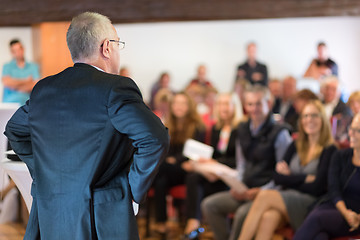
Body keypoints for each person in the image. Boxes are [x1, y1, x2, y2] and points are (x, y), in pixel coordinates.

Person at [4, 12, 169, 240]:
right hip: (101, 214)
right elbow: (154, 138)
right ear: (106, 47)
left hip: (51, 212)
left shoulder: (44, 88)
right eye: (118, 44)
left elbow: (15, 131)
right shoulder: (116, 88)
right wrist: (132, 191)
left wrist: (44, 173)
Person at [201, 84, 292, 240]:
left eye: (258, 103)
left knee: (243, 214)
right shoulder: (242, 129)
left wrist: (260, 191)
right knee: (209, 205)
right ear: (245, 105)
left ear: (268, 104)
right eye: (250, 104)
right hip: (245, 189)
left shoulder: (280, 133)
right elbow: (241, 164)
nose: (254, 108)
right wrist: (238, 185)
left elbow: (283, 175)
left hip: (266, 193)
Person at [238, 100, 337, 240]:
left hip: (310, 203)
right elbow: (277, 177)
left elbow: (318, 187)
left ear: (323, 119)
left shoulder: (330, 149)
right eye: (306, 116)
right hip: (287, 198)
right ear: (301, 120)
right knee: (268, 216)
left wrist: (289, 177)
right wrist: (303, 178)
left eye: (314, 116)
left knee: (264, 196)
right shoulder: (296, 144)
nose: (310, 120)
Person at [183, 93, 242, 238]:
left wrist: (214, 163)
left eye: (227, 104)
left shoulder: (241, 129)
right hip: (215, 175)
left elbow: (238, 160)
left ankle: (193, 225)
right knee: (193, 177)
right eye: (220, 104)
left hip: (232, 178)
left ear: (235, 106)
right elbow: (214, 155)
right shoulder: (216, 128)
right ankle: (194, 223)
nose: (223, 107)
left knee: (195, 182)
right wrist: (204, 161)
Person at [293, 113, 360, 240]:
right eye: (351, 128)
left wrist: (356, 217)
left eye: (358, 131)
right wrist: (345, 212)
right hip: (336, 205)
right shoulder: (340, 156)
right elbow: (333, 189)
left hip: (356, 216)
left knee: (317, 218)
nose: (351, 133)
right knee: (320, 236)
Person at [152, 92, 205, 238]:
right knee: (161, 181)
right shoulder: (168, 125)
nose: (179, 106)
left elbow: (194, 152)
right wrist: (171, 160)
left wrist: (175, 161)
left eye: (183, 103)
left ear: (189, 106)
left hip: (189, 169)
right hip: (172, 171)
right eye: (176, 103)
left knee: (157, 168)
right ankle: (161, 223)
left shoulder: (197, 126)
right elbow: (165, 150)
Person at [2, 39, 40, 105]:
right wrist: (27, 81)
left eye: (20, 49)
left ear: (23, 48)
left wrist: (15, 86)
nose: (19, 52)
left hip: (28, 105)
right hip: (10, 105)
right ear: (12, 52)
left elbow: (36, 85)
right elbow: (7, 82)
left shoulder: (33, 66)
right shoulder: (7, 66)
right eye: (15, 51)